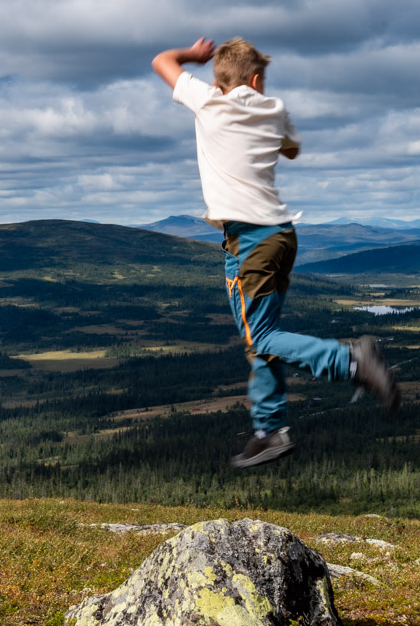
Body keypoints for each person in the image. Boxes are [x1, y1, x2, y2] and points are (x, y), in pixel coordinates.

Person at [151, 36, 400, 468]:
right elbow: (292, 149)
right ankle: (269, 431)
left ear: (221, 80)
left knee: (260, 336)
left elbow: (162, 60)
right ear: (255, 78)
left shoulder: (208, 102)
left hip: (249, 242)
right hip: (281, 235)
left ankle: (351, 362)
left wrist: (194, 55)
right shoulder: (274, 109)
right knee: (261, 339)